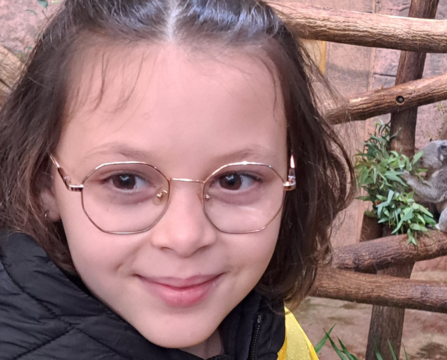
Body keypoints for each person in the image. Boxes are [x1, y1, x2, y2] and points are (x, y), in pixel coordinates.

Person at [0, 0, 355, 359]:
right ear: (45, 182)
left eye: (234, 180)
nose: (185, 237)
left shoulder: (270, 326)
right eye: (126, 180)